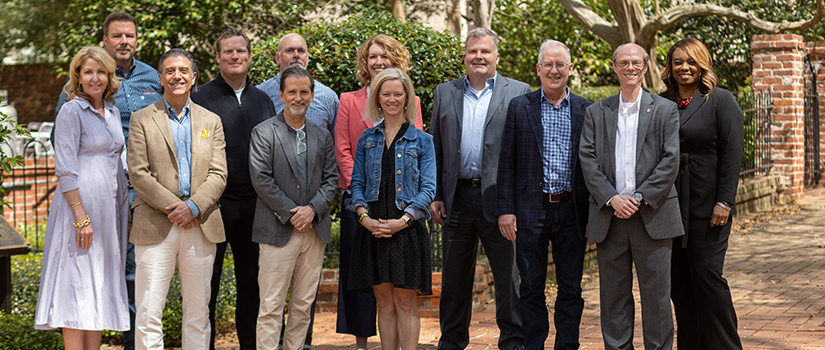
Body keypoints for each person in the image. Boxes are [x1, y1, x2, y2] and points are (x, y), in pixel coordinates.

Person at [52, 12, 161, 349]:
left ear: (136, 39)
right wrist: (80, 212)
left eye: (129, 36)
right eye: (117, 36)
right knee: (80, 277)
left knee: (121, 273)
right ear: (106, 40)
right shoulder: (73, 104)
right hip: (85, 199)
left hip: (129, 194)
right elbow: (64, 149)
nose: (123, 42)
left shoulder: (145, 83)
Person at [428, 27, 529, 350]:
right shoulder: (445, 92)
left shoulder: (519, 91)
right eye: (473, 51)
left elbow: (525, 153)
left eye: (485, 51)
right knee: (455, 280)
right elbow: (436, 148)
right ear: (465, 57)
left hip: (501, 200)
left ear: (496, 57)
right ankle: (452, 341)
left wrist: (513, 204)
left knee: (508, 279)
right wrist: (436, 195)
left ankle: (513, 342)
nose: (479, 57)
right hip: (457, 197)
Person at [578, 43, 683, 350]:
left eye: (636, 62)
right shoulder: (596, 112)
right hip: (609, 217)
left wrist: (638, 197)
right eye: (623, 62)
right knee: (613, 299)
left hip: (653, 215)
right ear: (614, 67)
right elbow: (587, 159)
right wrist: (612, 198)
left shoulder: (665, 109)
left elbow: (670, 160)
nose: (630, 68)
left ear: (645, 66)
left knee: (657, 299)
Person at [127, 48, 227, 350]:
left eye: (184, 70)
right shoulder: (141, 119)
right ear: (160, 77)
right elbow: (139, 173)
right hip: (156, 223)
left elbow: (219, 174)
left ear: (194, 76)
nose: (177, 76)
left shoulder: (212, 120)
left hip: (201, 223)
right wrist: (177, 208)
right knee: (148, 312)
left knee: (198, 312)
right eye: (170, 70)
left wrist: (193, 207)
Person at [496, 40, 592, 350]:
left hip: (572, 211)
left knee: (571, 289)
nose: (554, 70)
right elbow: (506, 161)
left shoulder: (585, 109)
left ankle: (567, 346)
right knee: (531, 288)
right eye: (548, 65)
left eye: (560, 65)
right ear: (538, 69)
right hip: (529, 211)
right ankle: (533, 345)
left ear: (570, 70)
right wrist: (505, 210)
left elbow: (593, 167)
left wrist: (592, 217)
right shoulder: (520, 107)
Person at [35, 46, 129, 350]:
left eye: (101, 71)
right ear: (78, 75)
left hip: (108, 212)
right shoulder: (71, 110)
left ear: (109, 75)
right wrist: (81, 216)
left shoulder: (113, 111)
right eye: (88, 71)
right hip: (81, 213)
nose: (95, 77)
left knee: (98, 287)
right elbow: (65, 168)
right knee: (76, 289)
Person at [333, 34, 424, 350]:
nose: (378, 61)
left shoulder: (412, 110)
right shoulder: (350, 102)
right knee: (371, 287)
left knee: (400, 294)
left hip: (402, 211)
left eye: (385, 55)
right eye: (373, 56)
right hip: (364, 207)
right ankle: (361, 342)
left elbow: (420, 158)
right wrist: (364, 207)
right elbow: (344, 151)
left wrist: (406, 213)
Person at [191, 27, 277, 350]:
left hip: (256, 207)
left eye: (240, 51)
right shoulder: (201, 99)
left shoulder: (264, 100)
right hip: (215, 205)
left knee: (252, 286)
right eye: (228, 51)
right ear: (217, 57)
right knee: (206, 285)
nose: (235, 56)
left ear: (250, 57)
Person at [660, 38, 744, 350]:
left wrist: (725, 200)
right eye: (678, 61)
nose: (684, 68)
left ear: (702, 65)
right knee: (679, 285)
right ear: (670, 66)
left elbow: (733, 153)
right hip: (670, 208)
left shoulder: (720, 101)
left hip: (709, 208)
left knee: (708, 279)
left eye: (691, 62)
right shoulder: (661, 101)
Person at [249, 66, 338, 350]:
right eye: (292, 92)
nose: (298, 98)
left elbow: (331, 179)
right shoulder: (263, 132)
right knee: (271, 307)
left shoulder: (322, 135)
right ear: (281, 94)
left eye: (304, 92)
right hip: (276, 231)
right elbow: (261, 179)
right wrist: (293, 213)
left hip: (314, 232)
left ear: (312, 95)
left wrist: (311, 210)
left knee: (302, 307)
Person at [346, 68, 436, 350]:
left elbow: (429, 189)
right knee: (383, 303)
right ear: (378, 98)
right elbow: (356, 184)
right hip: (373, 230)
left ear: (407, 97)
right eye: (386, 94)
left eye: (398, 93)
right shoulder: (366, 139)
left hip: (405, 231)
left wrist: (404, 220)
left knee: (405, 303)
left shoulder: (423, 141)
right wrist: (364, 218)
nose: (392, 99)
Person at [258, 33, 339, 133]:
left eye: (301, 51)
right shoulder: (261, 94)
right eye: (289, 51)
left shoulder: (327, 97)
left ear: (307, 56)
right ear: (277, 58)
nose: (296, 55)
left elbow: (335, 143)